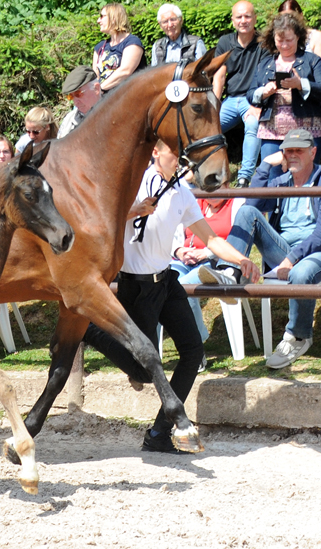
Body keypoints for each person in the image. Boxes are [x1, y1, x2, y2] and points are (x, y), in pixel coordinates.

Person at [82, 140, 259, 453]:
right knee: (142, 371)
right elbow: (99, 217)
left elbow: (211, 237)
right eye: (172, 153)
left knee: (192, 352)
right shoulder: (134, 183)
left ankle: (159, 433)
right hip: (136, 286)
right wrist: (133, 210)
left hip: (166, 281)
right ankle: (91, 331)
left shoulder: (181, 192)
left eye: (180, 154)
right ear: (155, 152)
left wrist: (240, 259)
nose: (178, 159)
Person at [208, 129, 321, 369]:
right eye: (289, 150)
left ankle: (298, 336)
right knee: (247, 213)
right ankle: (230, 273)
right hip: (284, 251)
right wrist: (265, 164)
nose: (293, 155)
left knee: (301, 272)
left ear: (313, 152)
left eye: (299, 150)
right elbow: (250, 205)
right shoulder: (280, 181)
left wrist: (293, 258)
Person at [247, 12, 321, 182]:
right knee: (273, 178)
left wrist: (300, 84)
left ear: (298, 37)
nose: (284, 45)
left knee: (307, 178)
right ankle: (275, 209)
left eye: (289, 40)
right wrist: (264, 92)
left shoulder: (312, 60)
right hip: (272, 130)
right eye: (280, 40)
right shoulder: (265, 63)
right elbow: (250, 94)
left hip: (308, 128)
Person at [170, 182, 246, 343]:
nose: (212, 192)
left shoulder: (237, 204)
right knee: (163, 285)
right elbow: (172, 232)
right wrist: (179, 251)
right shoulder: (194, 202)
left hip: (214, 262)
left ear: (227, 185)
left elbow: (237, 242)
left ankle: (196, 343)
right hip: (184, 259)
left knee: (182, 288)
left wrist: (206, 252)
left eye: (217, 186)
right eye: (207, 188)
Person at [213, 1, 268, 188]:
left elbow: (265, 76)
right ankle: (207, 172)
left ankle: (244, 177)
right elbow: (220, 76)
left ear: (255, 18)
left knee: (253, 124)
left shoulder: (264, 42)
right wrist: (214, 103)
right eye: (239, 17)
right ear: (233, 20)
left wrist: (257, 103)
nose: (243, 20)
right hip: (230, 100)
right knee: (207, 127)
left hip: (252, 100)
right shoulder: (225, 42)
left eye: (247, 16)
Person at [93, 3, 145, 93]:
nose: (98, 21)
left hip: (127, 96)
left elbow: (125, 72)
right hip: (102, 98)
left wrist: (99, 90)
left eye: (102, 16)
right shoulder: (100, 47)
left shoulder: (132, 42)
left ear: (113, 18)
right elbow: (95, 76)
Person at [277, 0, 321, 73]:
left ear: (301, 16)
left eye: (291, 17)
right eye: (283, 18)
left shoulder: (315, 36)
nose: (287, 21)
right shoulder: (277, 39)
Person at [58, 66, 102, 138]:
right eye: (71, 97)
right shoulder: (69, 120)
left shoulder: (114, 114)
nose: (75, 102)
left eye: (78, 94)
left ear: (96, 89)